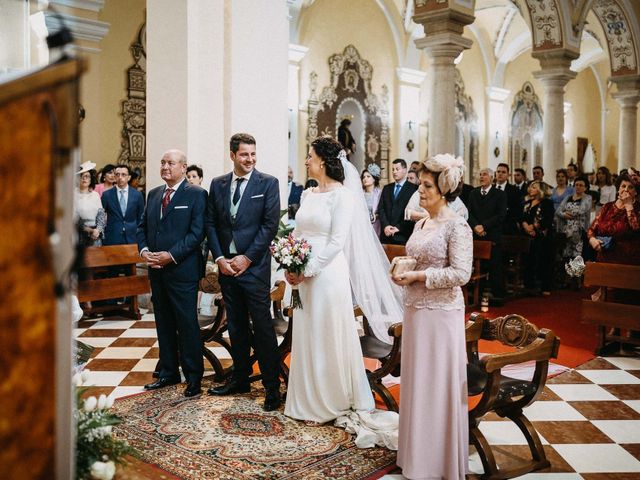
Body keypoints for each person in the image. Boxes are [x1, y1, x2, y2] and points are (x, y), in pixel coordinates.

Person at [283, 136, 399, 448]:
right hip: (302, 272)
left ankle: (329, 401)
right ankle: (304, 399)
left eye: (309, 156)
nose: (306, 161)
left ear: (322, 161)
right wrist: (289, 265)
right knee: (305, 335)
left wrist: (307, 269)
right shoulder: (308, 194)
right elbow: (296, 233)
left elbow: (336, 242)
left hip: (327, 273)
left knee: (325, 335)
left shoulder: (343, 197)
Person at [392, 153, 472, 480]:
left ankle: (437, 462)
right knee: (416, 380)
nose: (420, 190)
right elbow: (418, 256)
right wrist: (402, 268)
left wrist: (420, 277)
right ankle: (415, 457)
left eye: (426, 185)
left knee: (435, 383)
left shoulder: (457, 225)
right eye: (420, 183)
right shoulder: (423, 221)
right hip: (415, 310)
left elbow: (461, 273)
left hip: (441, 314)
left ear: (444, 188)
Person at [205, 133, 282, 411]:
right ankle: (240, 378)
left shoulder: (268, 183)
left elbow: (269, 225)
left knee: (262, 327)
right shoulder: (218, 184)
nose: (250, 159)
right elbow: (211, 224)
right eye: (244, 155)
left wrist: (247, 259)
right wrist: (221, 258)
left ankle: (272, 387)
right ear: (232, 155)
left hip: (254, 268)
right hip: (227, 267)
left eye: (253, 154)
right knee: (235, 325)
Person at [137, 149, 207, 398]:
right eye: (163, 162)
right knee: (163, 323)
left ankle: (193, 377)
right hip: (156, 270)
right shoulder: (155, 194)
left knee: (186, 324)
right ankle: (168, 372)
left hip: (182, 270)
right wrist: (145, 251)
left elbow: (196, 233)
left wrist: (171, 255)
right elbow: (143, 227)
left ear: (183, 168)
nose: (166, 166)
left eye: (171, 163)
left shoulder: (197, 194)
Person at [467, 167, 507, 304]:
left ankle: (497, 295)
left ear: (491, 178)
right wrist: (475, 226)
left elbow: (500, 215)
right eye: (480, 175)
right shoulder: (473, 193)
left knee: (495, 266)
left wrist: (484, 226)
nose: (482, 177)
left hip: (492, 234)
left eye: (484, 175)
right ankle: (478, 293)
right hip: (477, 235)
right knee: (479, 266)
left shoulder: (499, 194)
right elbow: (469, 213)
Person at [587, 172, 640, 265]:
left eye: (630, 187)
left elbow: (636, 228)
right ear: (618, 189)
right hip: (604, 258)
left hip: (627, 261)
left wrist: (628, 205)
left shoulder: (638, 208)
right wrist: (592, 240)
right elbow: (592, 229)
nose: (626, 190)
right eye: (623, 186)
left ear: (636, 192)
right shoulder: (607, 207)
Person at [521, 180, 554, 295]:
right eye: (530, 187)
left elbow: (548, 219)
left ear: (541, 190)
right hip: (528, 236)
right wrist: (526, 226)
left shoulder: (547, 203)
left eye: (534, 187)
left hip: (543, 237)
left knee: (543, 260)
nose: (530, 189)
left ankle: (545, 286)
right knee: (529, 260)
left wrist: (534, 227)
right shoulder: (527, 203)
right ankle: (529, 285)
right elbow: (523, 217)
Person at [101, 164, 145, 246]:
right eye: (117, 174)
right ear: (115, 177)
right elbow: (101, 216)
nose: (120, 177)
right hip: (112, 236)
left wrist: (141, 237)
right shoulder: (106, 195)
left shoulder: (137, 195)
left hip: (132, 236)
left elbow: (141, 218)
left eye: (123, 174)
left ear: (129, 177)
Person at [377, 158, 418, 245]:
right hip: (386, 235)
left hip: (403, 235)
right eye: (393, 169)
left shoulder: (413, 189)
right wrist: (386, 226)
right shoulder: (387, 188)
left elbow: (413, 211)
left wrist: (398, 227)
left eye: (397, 169)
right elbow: (381, 208)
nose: (394, 172)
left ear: (404, 170)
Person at [555, 176, 592, 266]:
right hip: (566, 231)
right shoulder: (568, 197)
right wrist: (564, 214)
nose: (578, 187)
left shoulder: (588, 198)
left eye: (581, 185)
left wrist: (567, 212)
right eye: (576, 185)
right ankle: (566, 278)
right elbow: (558, 211)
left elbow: (581, 211)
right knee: (566, 256)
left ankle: (576, 278)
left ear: (585, 187)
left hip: (579, 232)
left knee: (577, 257)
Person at [75, 161, 105, 247]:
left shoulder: (95, 195)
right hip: (79, 235)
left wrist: (98, 230)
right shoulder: (73, 194)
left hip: (95, 236)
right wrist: (89, 230)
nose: (84, 179)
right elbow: (74, 219)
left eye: (87, 176)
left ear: (91, 178)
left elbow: (101, 215)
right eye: (81, 176)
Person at [495, 162, 522, 234]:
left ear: (508, 175)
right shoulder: (490, 189)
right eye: (498, 172)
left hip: (508, 227)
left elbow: (518, 209)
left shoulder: (515, 190)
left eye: (503, 172)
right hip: (492, 228)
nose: (500, 174)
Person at [361, 163, 382, 236]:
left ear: (374, 179)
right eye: (363, 177)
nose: (365, 179)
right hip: (362, 225)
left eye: (368, 176)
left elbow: (382, 210)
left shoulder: (380, 193)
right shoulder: (360, 194)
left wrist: (376, 215)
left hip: (375, 226)